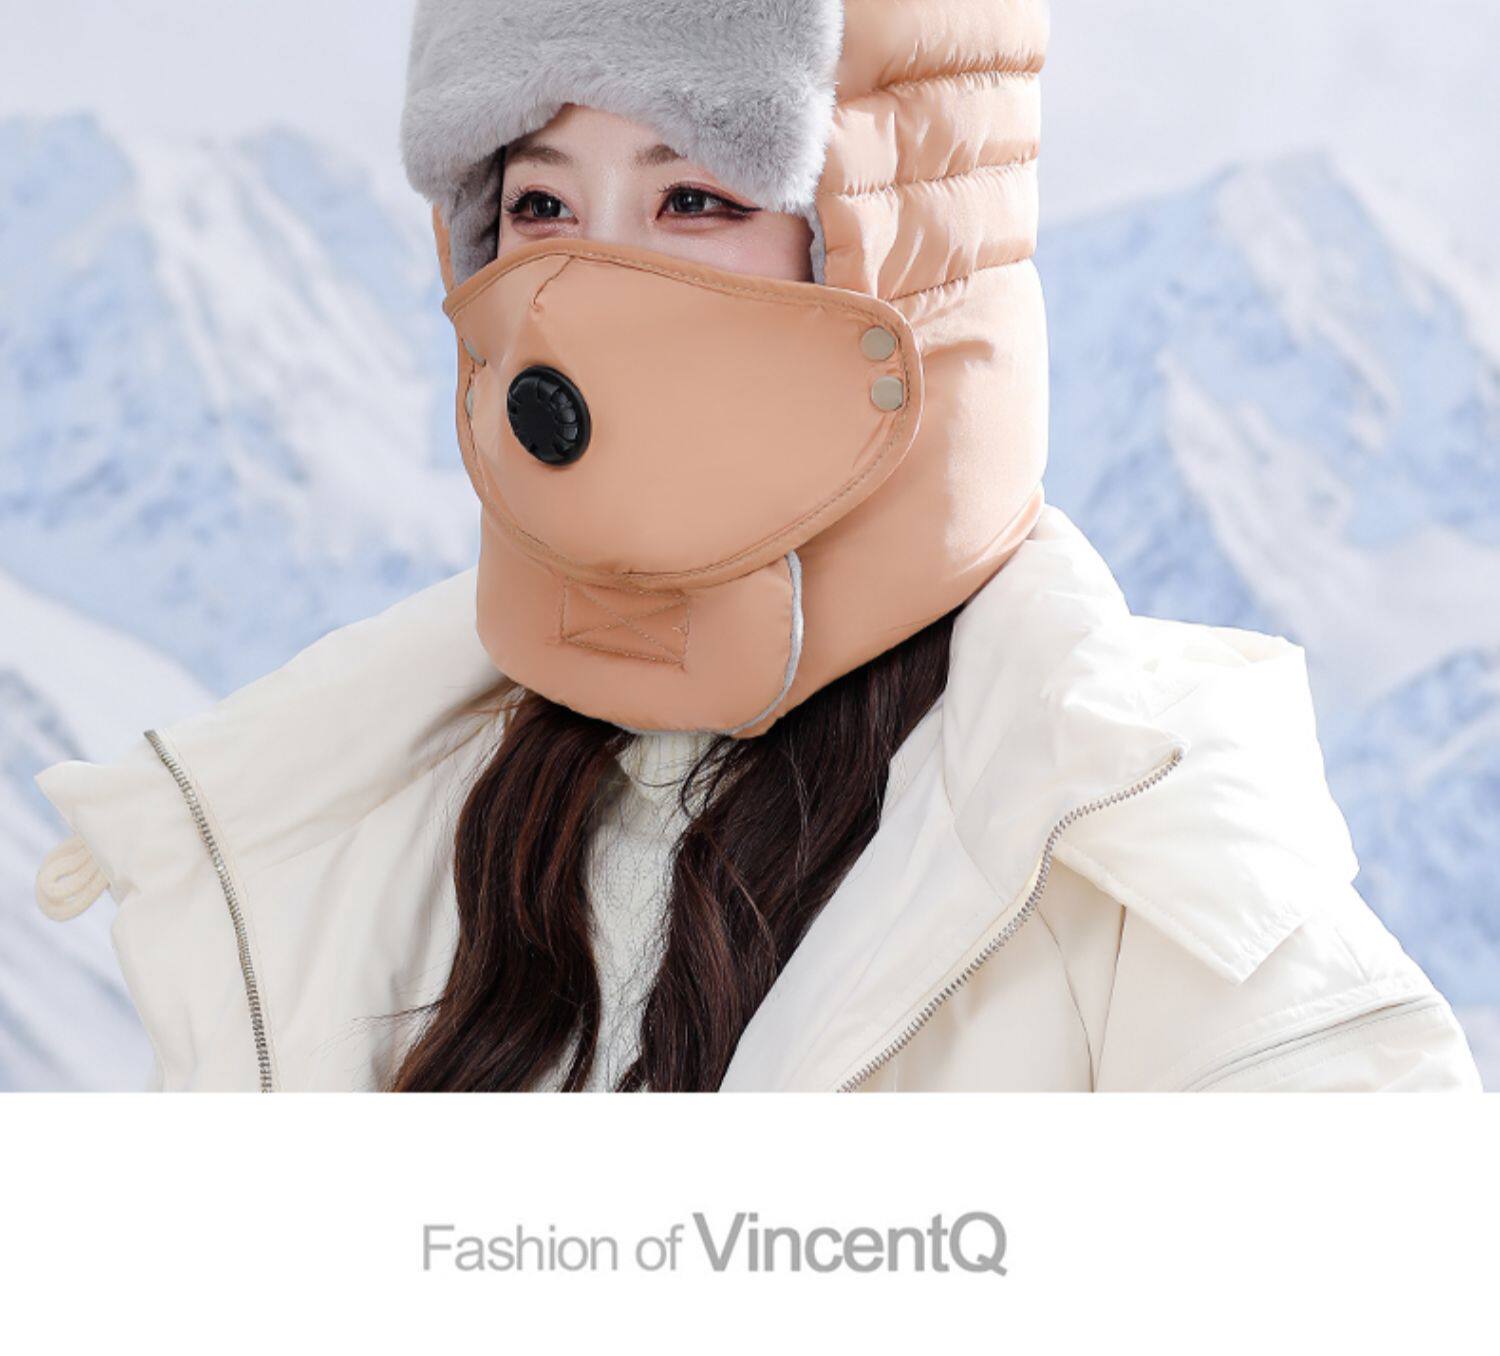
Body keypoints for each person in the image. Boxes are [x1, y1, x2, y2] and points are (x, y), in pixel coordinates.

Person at [32, 0, 1482, 1093]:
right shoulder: (343, 839)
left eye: (697, 199)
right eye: (538, 205)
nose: (588, 285)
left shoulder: (1135, 877)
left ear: (888, 251)